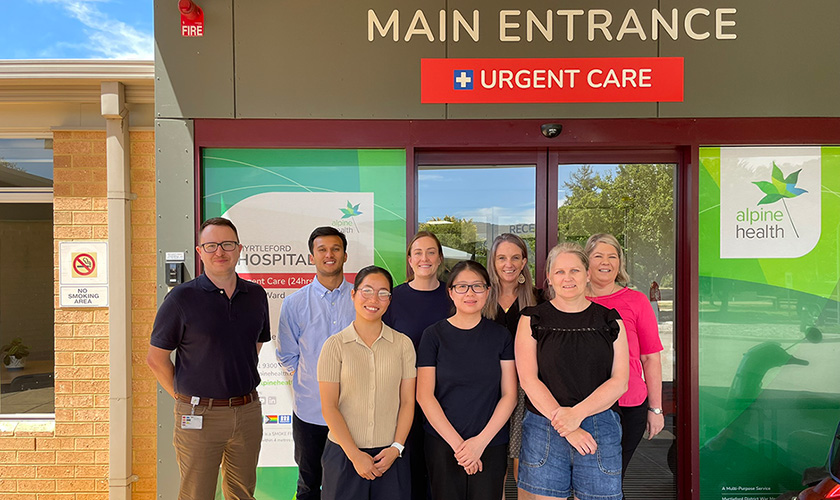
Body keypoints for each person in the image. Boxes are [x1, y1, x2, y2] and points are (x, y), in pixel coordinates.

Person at [147, 217, 271, 500]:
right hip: (198, 415)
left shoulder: (256, 295)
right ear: (200, 251)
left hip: (247, 411)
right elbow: (156, 358)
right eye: (211, 245)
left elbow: (254, 345)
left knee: (242, 493)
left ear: (239, 249)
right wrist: (184, 398)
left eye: (227, 244)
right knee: (197, 495)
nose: (220, 252)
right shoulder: (181, 298)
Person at [516, 242, 629, 500]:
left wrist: (576, 415)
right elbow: (528, 379)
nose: (568, 278)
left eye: (575, 271)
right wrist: (569, 427)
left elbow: (620, 381)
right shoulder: (532, 319)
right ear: (549, 278)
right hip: (545, 425)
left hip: (600, 426)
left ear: (587, 274)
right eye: (560, 272)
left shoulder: (610, 319)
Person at [417, 260, 518, 500]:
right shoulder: (433, 336)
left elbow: (510, 395)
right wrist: (459, 447)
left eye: (477, 286)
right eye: (462, 286)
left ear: (488, 292)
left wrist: (479, 444)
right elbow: (424, 395)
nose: (470, 293)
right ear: (451, 292)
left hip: (490, 443)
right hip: (442, 443)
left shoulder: (501, 336)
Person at [317, 265, 417, 500]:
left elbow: (407, 402)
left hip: (390, 457)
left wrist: (397, 448)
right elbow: (329, 407)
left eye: (383, 293)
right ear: (353, 294)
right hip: (344, 456)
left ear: (390, 300)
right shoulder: (335, 346)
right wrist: (354, 455)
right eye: (367, 291)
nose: (374, 299)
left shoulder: (403, 345)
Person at [276, 226, 356, 500]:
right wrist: (311, 379)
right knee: (309, 485)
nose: (329, 255)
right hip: (310, 412)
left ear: (345, 255)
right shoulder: (294, 303)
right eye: (322, 250)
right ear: (312, 257)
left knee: (350, 484)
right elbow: (287, 355)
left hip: (354, 412)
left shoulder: (361, 299)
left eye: (335, 249)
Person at [585, 234, 665, 489]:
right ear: (586, 260)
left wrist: (656, 409)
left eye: (612, 256)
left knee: (611, 482)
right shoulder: (572, 298)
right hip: (583, 405)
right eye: (598, 256)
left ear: (620, 263)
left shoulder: (636, 301)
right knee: (587, 483)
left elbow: (650, 357)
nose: (605, 262)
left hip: (628, 406)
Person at [383, 231, 452, 500]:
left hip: (446, 400)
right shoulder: (393, 299)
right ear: (410, 260)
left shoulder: (454, 296)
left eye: (431, 252)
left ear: (440, 258)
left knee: (440, 476)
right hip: (404, 401)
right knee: (408, 474)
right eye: (418, 253)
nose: (425, 258)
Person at [483, 233, 539, 476]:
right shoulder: (479, 296)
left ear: (524, 262)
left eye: (516, 258)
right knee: (495, 468)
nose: (509, 264)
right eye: (502, 258)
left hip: (528, 390)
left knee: (523, 466)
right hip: (487, 389)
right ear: (493, 262)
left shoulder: (540, 299)